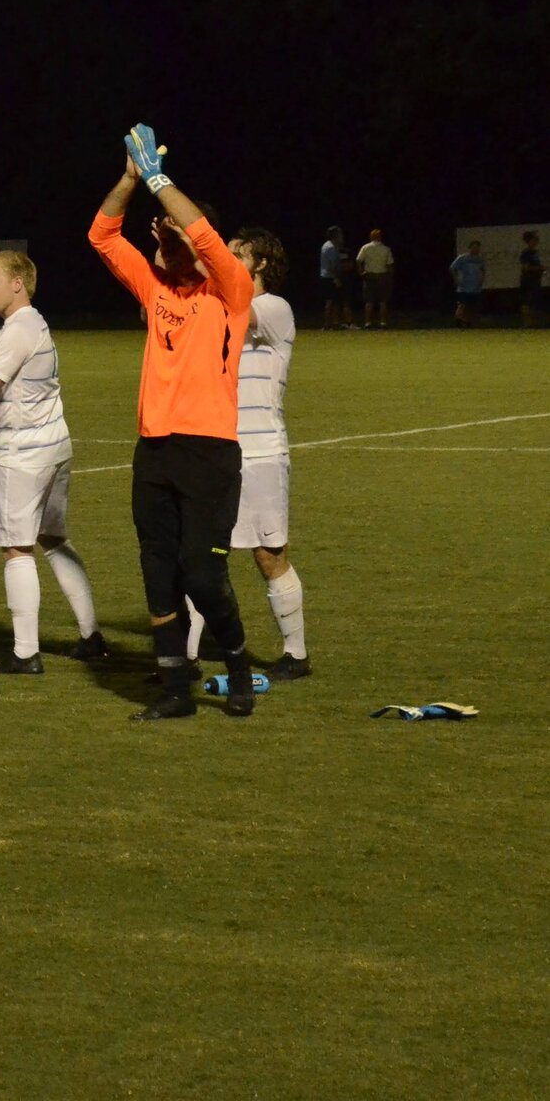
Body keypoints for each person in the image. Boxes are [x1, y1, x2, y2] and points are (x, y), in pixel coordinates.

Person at [90, 124, 257, 719]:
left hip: (210, 451)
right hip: (155, 451)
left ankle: (238, 663)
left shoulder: (230, 291)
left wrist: (162, 187)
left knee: (203, 576)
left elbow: (207, 237)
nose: (156, 239)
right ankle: (175, 693)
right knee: (158, 574)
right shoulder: (154, 285)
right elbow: (103, 234)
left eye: (167, 232)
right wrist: (132, 180)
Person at [0, 251, 104, 673]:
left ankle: (25, 653)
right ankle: (91, 635)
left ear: (18, 283)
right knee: (53, 538)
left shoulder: (19, 328)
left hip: (23, 453)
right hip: (53, 443)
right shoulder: (28, 324)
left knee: (15, 548)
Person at [223, 228, 309, 680]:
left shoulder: (273, 308)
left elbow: (238, 309)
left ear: (260, 264)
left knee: (268, 555)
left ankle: (296, 654)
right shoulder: (227, 304)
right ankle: (189, 655)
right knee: (202, 554)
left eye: (238, 253)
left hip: (260, 453)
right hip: (218, 449)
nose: (228, 257)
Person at [356, 228, 395, 329]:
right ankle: (383, 322)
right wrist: (390, 276)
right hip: (382, 275)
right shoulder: (386, 249)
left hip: (369, 275)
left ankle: (368, 322)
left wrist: (361, 272)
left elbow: (358, 260)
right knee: (383, 301)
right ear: (380, 237)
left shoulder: (365, 247)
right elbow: (390, 264)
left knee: (369, 301)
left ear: (371, 237)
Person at [317, 226, 353, 330]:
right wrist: (336, 278)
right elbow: (332, 265)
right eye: (340, 234)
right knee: (330, 301)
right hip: (330, 277)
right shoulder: (331, 247)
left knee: (332, 301)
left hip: (326, 275)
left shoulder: (327, 245)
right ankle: (327, 324)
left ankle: (332, 323)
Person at [450, 239, 488, 327]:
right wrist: (456, 279)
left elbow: (483, 270)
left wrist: (482, 279)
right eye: (474, 247)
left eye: (477, 248)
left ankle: (469, 323)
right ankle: (459, 321)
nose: (476, 249)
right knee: (462, 305)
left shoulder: (480, 259)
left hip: (475, 288)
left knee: (473, 307)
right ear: (470, 248)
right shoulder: (462, 258)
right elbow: (452, 268)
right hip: (464, 286)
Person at [521, 231, 543, 328]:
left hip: (536, 280)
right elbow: (525, 267)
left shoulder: (535, 252)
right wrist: (539, 268)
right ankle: (527, 323)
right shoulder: (526, 253)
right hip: (528, 280)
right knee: (526, 301)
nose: (536, 242)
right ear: (529, 241)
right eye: (534, 240)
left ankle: (532, 323)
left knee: (533, 301)